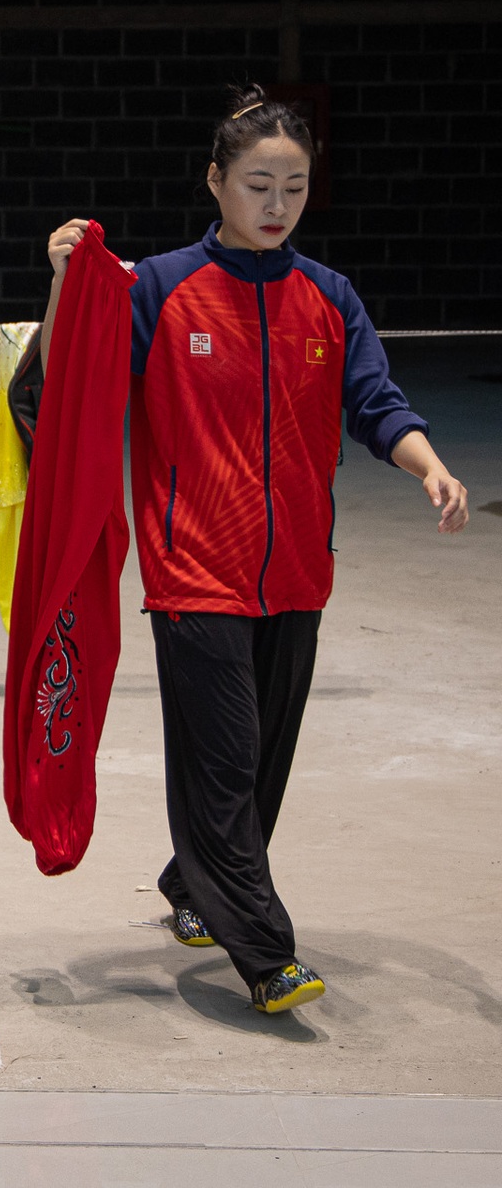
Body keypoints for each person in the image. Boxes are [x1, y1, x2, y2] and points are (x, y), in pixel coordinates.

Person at [35, 86, 470, 1015]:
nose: (277, 205)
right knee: (227, 759)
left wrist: (427, 466)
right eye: (259, 184)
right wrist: (67, 279)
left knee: (261, 758)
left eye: (295, 187)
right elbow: (63, 384)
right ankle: (264, 950)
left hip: (299, 572)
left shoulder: (329, 297)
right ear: (216, 183)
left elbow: (377, 401)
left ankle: (194, 886)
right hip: (195, 568)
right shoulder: (158, 287)